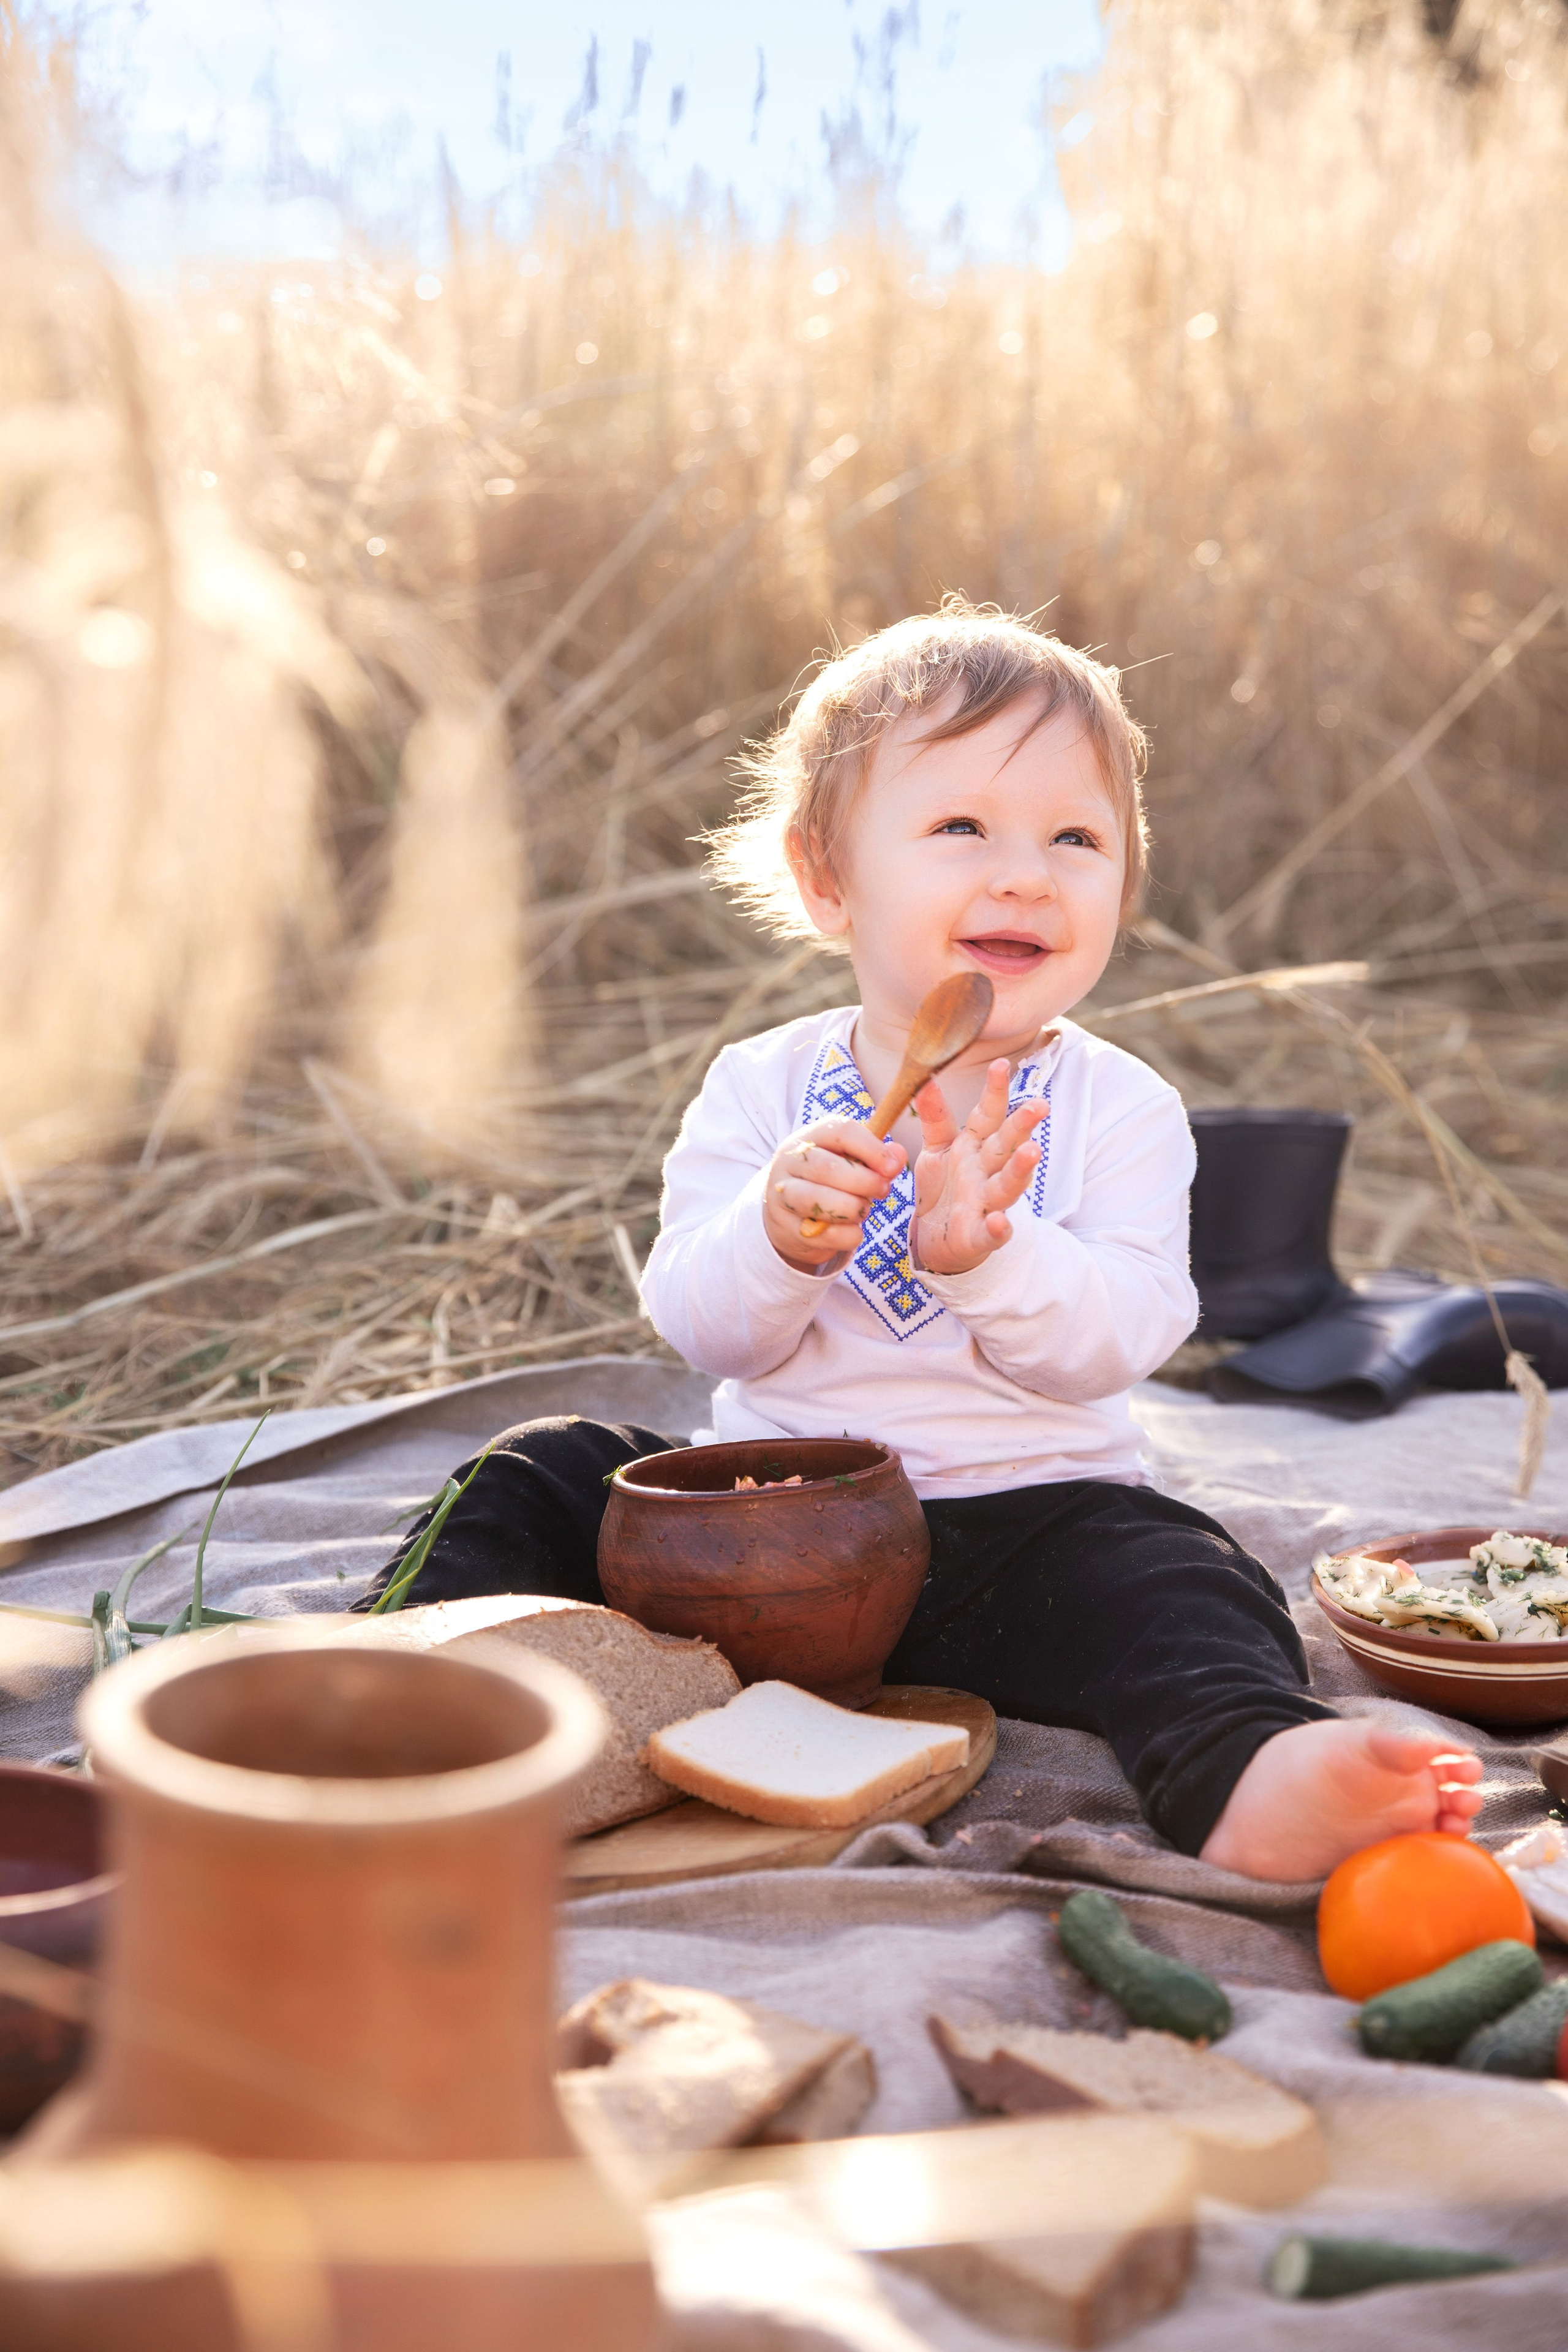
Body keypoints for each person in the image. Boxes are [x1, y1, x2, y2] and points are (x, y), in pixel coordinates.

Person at [362, 598, 1482, 1881]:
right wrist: (775, 1239)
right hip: (753, 1546)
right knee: (541, 1467)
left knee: (1187, 1579)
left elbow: (1120, 1342)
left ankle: (1252, 1770)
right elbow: (698, 1323)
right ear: (825, 878)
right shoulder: (759, 1085)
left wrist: (989, 1262)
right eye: (959, 828)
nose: (1024, 873)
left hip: (1019, 1540)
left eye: (1077, 837)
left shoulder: (1116, 1106)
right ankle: (373, 1677)